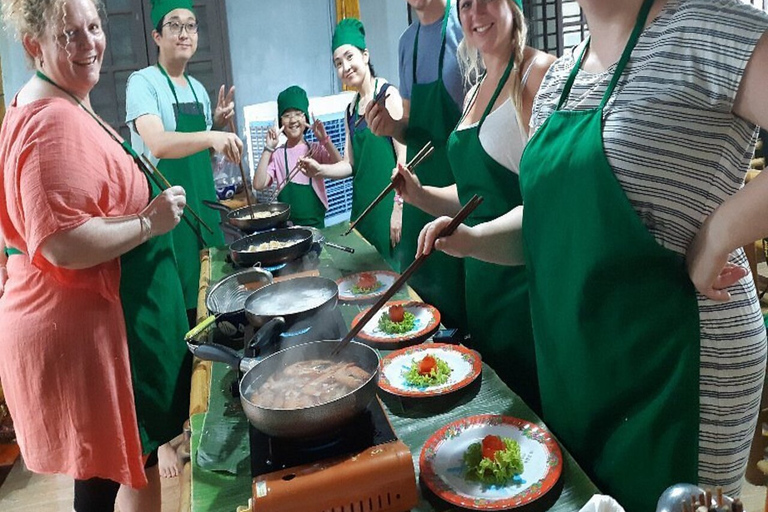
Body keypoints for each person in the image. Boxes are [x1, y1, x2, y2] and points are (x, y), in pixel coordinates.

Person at [417, 0, 768, 510]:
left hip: (678, 370)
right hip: (578, 370)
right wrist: (470, 239)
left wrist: (719, 232)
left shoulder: (706, 26)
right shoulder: (562, 76)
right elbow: (547, 220)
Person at [0, 0, 191, 511]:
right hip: (87, 331)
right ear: (33, 46)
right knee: (101, 479)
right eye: (70, 35)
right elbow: (61, 242)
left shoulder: (64, 99)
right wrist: (149, 222)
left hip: (100, 320)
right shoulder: (49, 121)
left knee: (129, 463)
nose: (90, 44)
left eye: (94, 27)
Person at [392, 0, 553, 411]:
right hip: (481, 285)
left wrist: (475, 238)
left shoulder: (539, 75)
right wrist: (419, 194)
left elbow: (545, 201)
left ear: (512, 7)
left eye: (487, 1)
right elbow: (472, 192)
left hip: (523, 288)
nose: (476, 13)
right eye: (466, 4)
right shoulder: (477, 88)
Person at [126, 0, 241, 325]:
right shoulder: (143, 83)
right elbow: (159, 143)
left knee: (214, 304)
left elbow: (198, 153)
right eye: (174, 25)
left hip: (203, 214)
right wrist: (210, 136)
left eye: (191, 25)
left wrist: (216, 125)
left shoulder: (199, 90)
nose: (184, 33)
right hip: (168, 219)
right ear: (156, 35)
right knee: (179, 314)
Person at [364, 0, 467, 329]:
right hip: (419, 198)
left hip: (463, 192)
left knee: (465, 321)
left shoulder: (466, 25)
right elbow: (416, 131)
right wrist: (390, 127)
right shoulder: (407, 42)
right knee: (420, 313)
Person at [299, 18, 405, 270]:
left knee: (393, 280)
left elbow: (405, 159)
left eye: (349, 57)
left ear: (365, 55)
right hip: (362, 210)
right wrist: (320, 170)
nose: (345, 67)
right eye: (338, 63)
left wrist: (398, 209)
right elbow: (349, 164)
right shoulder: (350, 108)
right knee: (366, 281)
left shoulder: (387, 95)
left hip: (388, 209)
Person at [253, 85, 341, 228]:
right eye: (287, 115)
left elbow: (340, 166)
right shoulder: (278, 154)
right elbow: (258, 184)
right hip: (287, 228)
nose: (293, 120)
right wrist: (268, 148)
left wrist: (325, 140)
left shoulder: (316, 150)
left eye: (298, 114)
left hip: (316, 226)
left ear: (306, 117)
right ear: (280, 122)